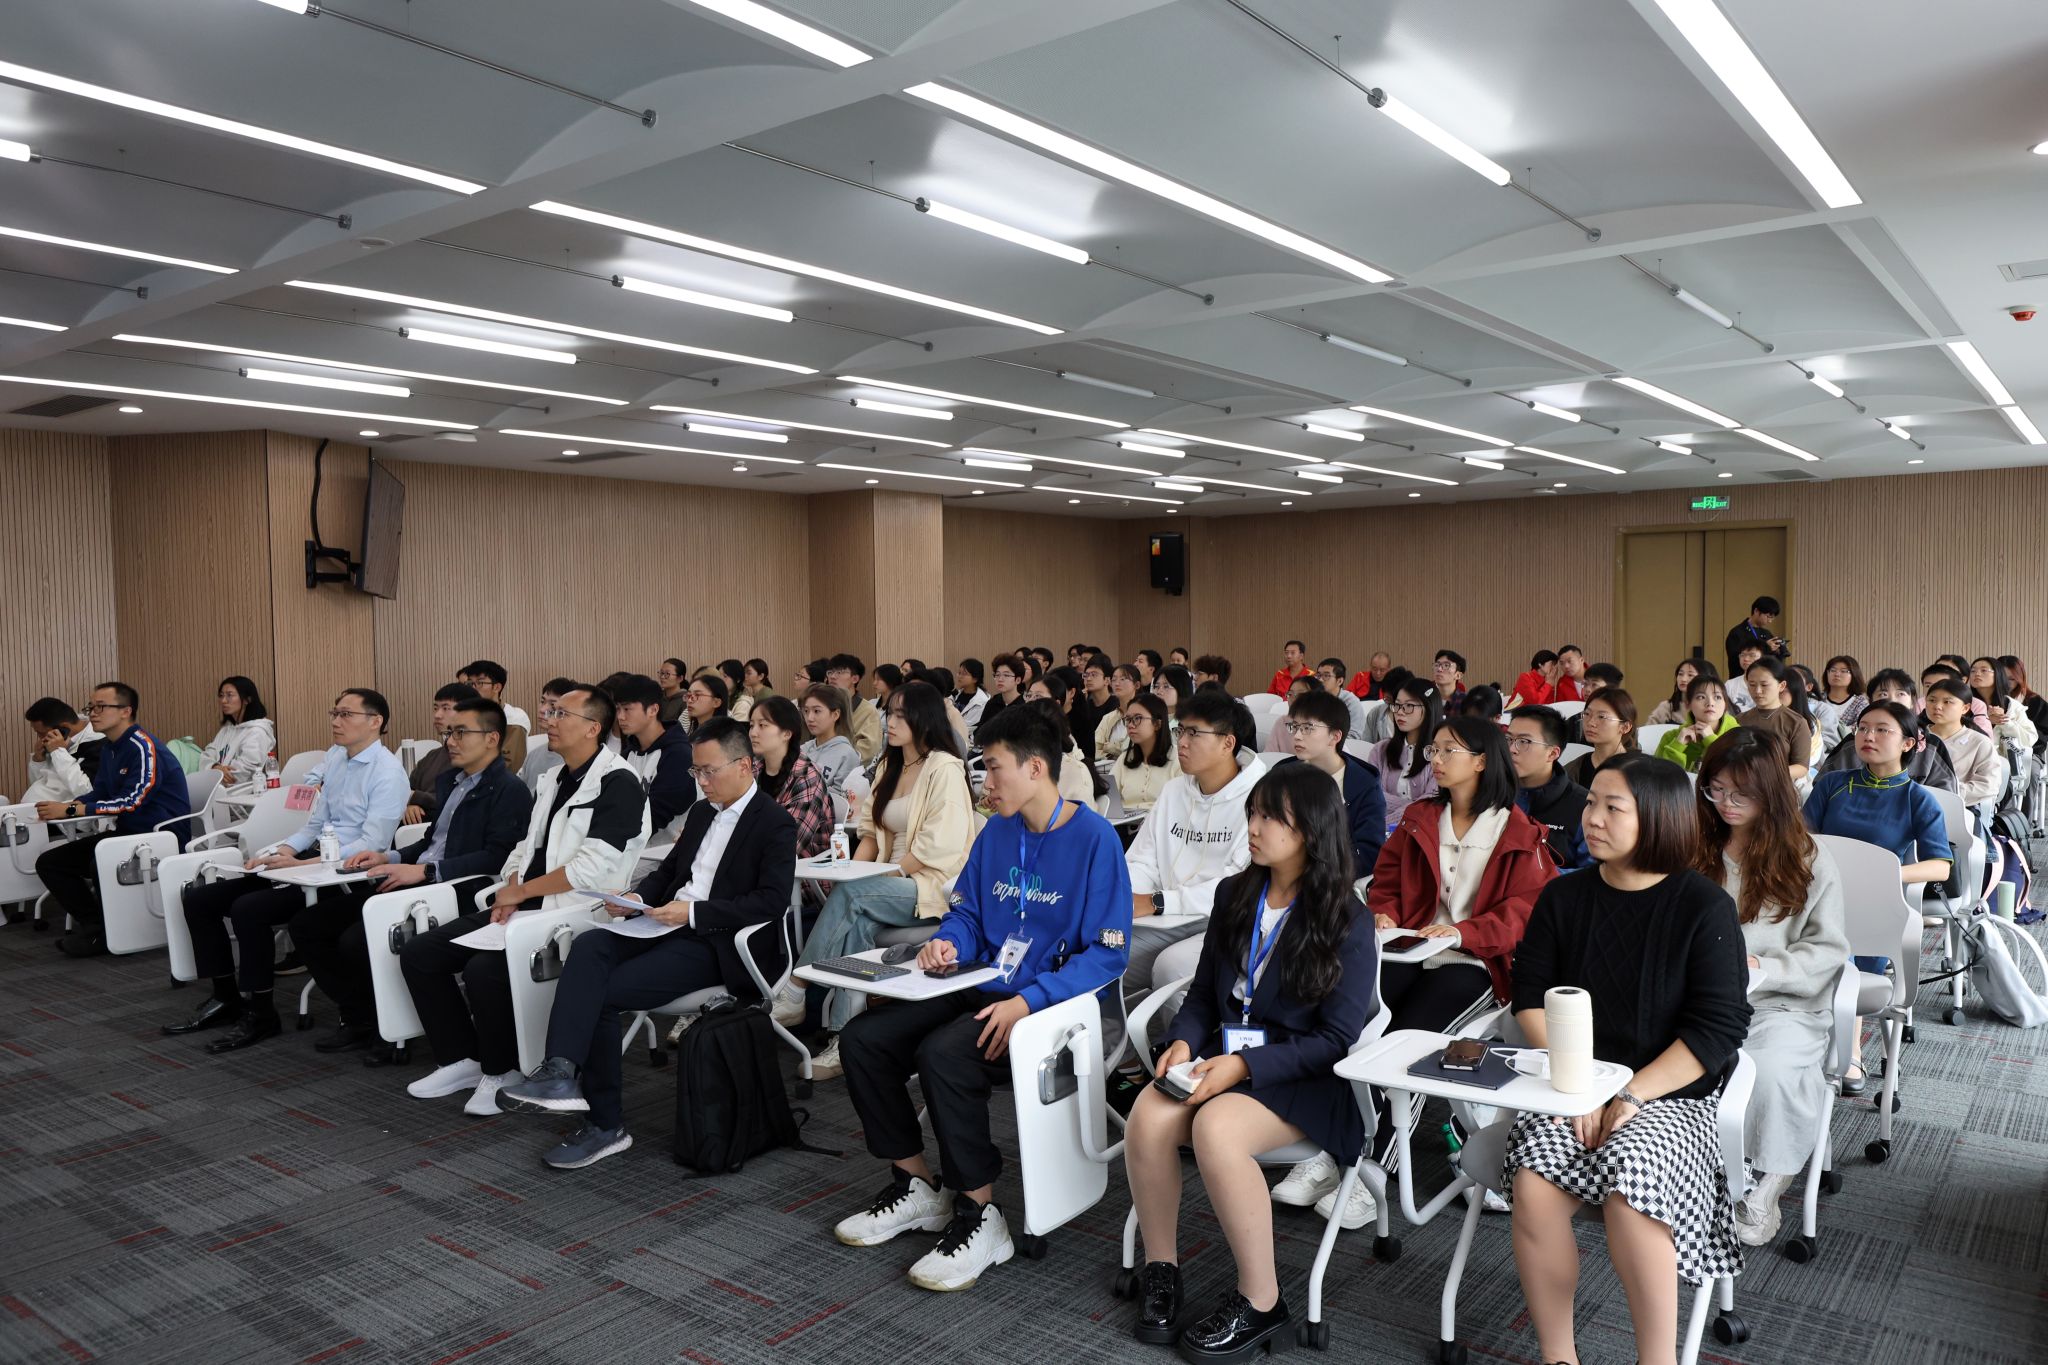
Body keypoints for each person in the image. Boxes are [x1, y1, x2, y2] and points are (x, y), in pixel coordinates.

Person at [829, 703, 1131, 1292]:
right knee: (864, 1040)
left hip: (1048, 1011)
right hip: (979, 985)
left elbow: (1106, 954)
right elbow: (966, 910)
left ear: (1035, 768)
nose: (985, 783)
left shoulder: (1094, 840)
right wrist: (948, 941)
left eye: (993, 769)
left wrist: (1029, 1001)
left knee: (944, 1054)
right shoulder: (997, 832)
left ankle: (979, 1212)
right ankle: (917, 1185)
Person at [1505, 753, 1752, 1365]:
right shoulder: (1563, 896)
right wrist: (1582, 1084)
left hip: (1668, 1095)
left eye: (1612, 807)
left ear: (1660, 818)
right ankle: (1558, 1357)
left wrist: (1629, 1094)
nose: (1591, 818)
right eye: (1591, 802)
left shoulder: (1703, 906)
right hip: (1572, 1084)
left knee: (1629, 1189)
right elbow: (1528, 997)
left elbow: (1719, 1027)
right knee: (1533, 1184)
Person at [1123, 763, 1379, 1354]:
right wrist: (1184, 1041)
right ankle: (1163, 1269)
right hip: (1226, 1058)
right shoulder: (1235, 893)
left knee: (1215, 1127)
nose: (1254, 828)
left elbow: (1336, 1039)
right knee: (1148, 1114)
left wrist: (1242, 1068)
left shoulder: (1347, 919)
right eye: (1253, 814)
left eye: (1270, 818)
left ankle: (1263, 1301)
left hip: (1302, 1075)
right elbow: (1204, 995)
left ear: (1310, 830)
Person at [496, 718, 798, 1168]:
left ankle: (604, 1124)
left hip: (715, 942)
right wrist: (637, 898)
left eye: (709, 771)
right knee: (591, 945)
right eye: (696, 771)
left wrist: (691, 913)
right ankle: (559, 1071)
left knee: (604, 993)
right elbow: (670, 871)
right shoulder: (703, 812)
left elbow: (771, 902)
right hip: (664, 922)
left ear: (744, 766)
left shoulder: (774, 823)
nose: (701, 782)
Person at [399, 684, 651, 1115]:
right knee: (421, 953)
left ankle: (503, 1071)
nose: (548, 721)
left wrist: (520, 892)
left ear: (593, 728)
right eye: (550, 713)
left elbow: (589, 871)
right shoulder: (554, 778)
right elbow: (524, 847)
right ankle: (461, 1058)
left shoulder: (619, 784)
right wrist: (512, 889)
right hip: (529, 903)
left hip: (575, 912)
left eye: (561, 714)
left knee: (483, 971)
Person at [162, 688, 407, 1050]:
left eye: (346, 714)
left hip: (346, 873)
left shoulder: (387, 772)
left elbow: (373, 844)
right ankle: (227, 998)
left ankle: (261, 1013)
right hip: (311, 859)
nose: (336, 722)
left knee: (250, 909)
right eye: (334, 713)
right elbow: (314, 825)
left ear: (375, 722)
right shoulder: (337, 758)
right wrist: (279, 851)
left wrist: (304, 863)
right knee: (202, 900)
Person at [300, 697, 533, 1055]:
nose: (450, 741)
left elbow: (497, 856)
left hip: (453, 889)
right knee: (309, 925)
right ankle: (362, 1014)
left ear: (491, 738)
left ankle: (386, 1027)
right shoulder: (452, 781)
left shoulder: (508, 790)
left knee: (355, 940)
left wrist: (424, 870)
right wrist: (389, 856)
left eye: (461, 733)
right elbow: (432, 841)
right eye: (449, 733)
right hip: (415, 879)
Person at [1693, 729, 1848, 1246]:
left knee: (1772, 1072)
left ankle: (1765, 1184)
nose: (1726, 804)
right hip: (1699, 998)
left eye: (1742, 794)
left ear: (1772, 794)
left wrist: (1765, 965)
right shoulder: (1693, 846)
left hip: (1781, 1002)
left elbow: (1828, 949)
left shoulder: (1806, 857)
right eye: (1716, 790)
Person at [776, 682, 976, 1072]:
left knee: (854, 896)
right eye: (890, 714)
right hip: (883, 883)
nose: (890, 722)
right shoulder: (889, 765)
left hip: (929, 884)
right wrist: (849, 873)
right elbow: (868, 834)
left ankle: (796, 987)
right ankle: (844, 1039)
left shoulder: (945, 767)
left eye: (900, 715)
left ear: (923, 718)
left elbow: (940, 844)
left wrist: (880, 876)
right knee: (856, 918)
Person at [1802, 700, 1952, 1095]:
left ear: (1909, 743)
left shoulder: (1917, 798)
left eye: (1882, 729)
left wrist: (1882, 874)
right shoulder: (1833, 784)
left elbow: (1940, 867)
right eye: (1863, 728)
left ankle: (1849, 1049)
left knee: (1847, 955)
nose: (1868, 736)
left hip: (1873, 905)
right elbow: (1801, 842)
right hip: (1821, 895)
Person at [32, 682, 191, 957]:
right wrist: (68, 806)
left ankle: (109, 933)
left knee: (100, 861)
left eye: (101, 707)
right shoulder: (110, 748)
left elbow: (131, 801)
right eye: (91, 707)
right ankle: (97, 929)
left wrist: (70, 812)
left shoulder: (143, 746)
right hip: (128, 834)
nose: (92, 713)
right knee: (50, 863)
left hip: (160, 836)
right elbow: (101, 793)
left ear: (126, 711)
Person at [1125, 691, 1260, 1000]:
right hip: (1164, 917)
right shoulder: (1174, 791)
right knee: (1098, 946)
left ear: (1228, 743)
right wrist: (1129, 898)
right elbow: (1143, 859)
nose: (1182, 743)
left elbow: (1238, 885)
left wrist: (1158, 902)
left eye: (1194, 733)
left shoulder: (1260, 797)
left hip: (1222, 920)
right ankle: (1105, 1030)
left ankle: (1181, 1033)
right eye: (1181, 731)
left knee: (1170, 966)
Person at [1282, 689, 1387, 876]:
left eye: (1307, 728)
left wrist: (1315, 871)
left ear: (1335, 736)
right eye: (1295, 727)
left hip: (1334, 878)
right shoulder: (1283, 774)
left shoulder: (1364, 784)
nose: (1297, 735)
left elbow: (1369, 853)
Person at [1818, 671, 1957, 791]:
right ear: (1871, 701)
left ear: (1912, 701)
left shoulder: (1932, 745)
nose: (1892, 700)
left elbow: (1947, 795)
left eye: (1900, 694)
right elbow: (1823, 785)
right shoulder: (1854, 741)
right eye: (1883, 694)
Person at [610, 673, 695, 837]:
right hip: (631, 847)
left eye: (627, 709)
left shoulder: (678, 754)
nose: (620, 717)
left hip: (665, 849)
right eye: (618, 709)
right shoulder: (628, 754)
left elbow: (658, 813)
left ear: (653, 710)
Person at [748, 695, 832, 858]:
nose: (753, 733)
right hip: (756, 858)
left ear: (786, 733)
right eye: (751, 725)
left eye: (762, 725)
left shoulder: (807, 777)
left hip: (802, 868)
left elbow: (789, 843)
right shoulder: (753, 771)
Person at [1506, 706, 1590, 869]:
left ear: (1552, 754)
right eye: (1508, 739)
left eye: (1524, 741)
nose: (1511, 749)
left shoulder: (1583, 807)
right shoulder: (1492, 794)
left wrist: (1536, 875)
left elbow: (1592, 873)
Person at [1370, 676, 1442, 830]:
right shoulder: (1380, 750)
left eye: (1409, 706)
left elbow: (1430, 803)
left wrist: (1384, 824)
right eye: (1397, 705)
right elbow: (1371, 795)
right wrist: (1413, 806)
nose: (1400, 712)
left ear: (1428, 708)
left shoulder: (1440, 755)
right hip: (1379, 834)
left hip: (1420, 833)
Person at [1921, 677, 2006, 806]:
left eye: (1947, 702)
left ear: (1965, 708)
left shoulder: (1979, 742)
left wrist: (1945, 792)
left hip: (1957, 808)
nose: (1937, 706)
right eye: (1932, 700)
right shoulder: (1914, 738)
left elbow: (1989, 785)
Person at [400, 682, 476, 823]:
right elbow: (406, 790)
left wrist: (415, 797)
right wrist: (409, 805)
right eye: (436, 708)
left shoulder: (476, 758)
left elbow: (459, 800)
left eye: (446, 708)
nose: (437, 715)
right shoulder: (432, 756)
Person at [1737, 657, 1816, 777]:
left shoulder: (1796, 722)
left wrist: (1767, 773)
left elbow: (1801, 767)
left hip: (1779, 783)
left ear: (1782, 686)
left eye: (1764, 685)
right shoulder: (1740, 719)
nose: (1757, 691)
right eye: (1752, 685)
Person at [20, 697, 102, 804]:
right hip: (34, 808)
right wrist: (38, 761)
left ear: (64, 728)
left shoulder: (99, 743)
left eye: (41, 733)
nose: (40, 738)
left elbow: (86, 791)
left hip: (64, 811)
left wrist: (58, 752)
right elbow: (41, 782)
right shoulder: (57, 741)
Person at [1653, 673, 1739, 772]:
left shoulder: (1738, 736)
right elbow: (1657, 776)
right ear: (1688, 704)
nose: (1710, 703)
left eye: (1717, 697)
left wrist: (1711, 741)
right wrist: (1677, 746)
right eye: (1701, 697)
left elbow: (1738, 773)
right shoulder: (1671, 737)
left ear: (1725, 705)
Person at [1113, 693, 1181, 817]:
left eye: (1137, 718)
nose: (1131, 725)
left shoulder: (1178, 758)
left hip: (1162, 823)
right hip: (1125, 824)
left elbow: (1180, 805)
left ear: (1157, 724)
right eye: (1128, 719)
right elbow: (1109, 799)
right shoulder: (1125, 759)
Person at [201, 676, 275, 786]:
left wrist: (215, 774)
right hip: (216, 787)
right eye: (221, 695)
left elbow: (241, 774)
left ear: (247, 700)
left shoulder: (257, 731)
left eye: (229, 695)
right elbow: (206, 755)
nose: (223, 701)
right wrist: (215, 767)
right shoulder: (227, 729)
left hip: (240, 793)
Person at [798, 683, 864, 803]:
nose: (809, 718)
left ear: (835, 715)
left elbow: (842, 799)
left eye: (817, 711)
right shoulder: (802, 749)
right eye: (806, 711)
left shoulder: (846, 754)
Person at [460, 660, 529, 770]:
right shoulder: (466, 715)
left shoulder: (514, 718)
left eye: (480, 683)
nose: (473, 688)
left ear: (497, 687)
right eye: (470, 683)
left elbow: (509, 766)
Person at [1568, 687, 1639, 787]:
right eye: (1587, 714)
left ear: (1625, 727)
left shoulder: (1640, 770)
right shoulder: (1574, 769)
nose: (1591, 723)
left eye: (1601, 717)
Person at [1969, 655, 2039, 752]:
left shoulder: (2012, 706)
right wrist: (1985, 720)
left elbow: (2030, 739)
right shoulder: (1963, 703)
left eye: (1984, 670)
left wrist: (2004, 721)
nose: (1977, 673)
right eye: (1973, 671)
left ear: (1998, 674)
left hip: (2005, 759)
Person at [1724, 595, 1789, 678]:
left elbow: (1774, 663)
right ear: (1756, 611)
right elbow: (1735, 660)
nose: (1770, 621)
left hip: (1764, 678)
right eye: (1768, 617)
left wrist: (1779, 652)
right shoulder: (1737, 633)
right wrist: (1766, 648)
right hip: (1742, 678)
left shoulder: (1766, 633)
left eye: (1772, 618)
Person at [1998, 655, 2048, 757]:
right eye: (2002, 678)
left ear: (2020, 679)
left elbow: (2043, 736)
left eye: (2012, 679)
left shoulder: (2035, 702)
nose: (2005, 683)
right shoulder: (1986, 699)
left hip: (2030, 753)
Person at [1817, 655, 1866, 754]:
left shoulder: (1860, 702)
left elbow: (1861, 728)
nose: (1837, 674)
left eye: (1844, 671)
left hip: (1848, 752)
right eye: (1833, 670)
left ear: (1854, 675)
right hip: (1817, 750)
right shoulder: (1817, 699)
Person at [1095, 664, 1144, 761]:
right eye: (1114, 680)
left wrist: (1109, 747)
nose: (1117, 683)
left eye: (1123, 679)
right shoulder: (1108, 717)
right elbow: (1096, 748)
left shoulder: (1145, 716)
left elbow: (1138, 750)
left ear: (1137, 685)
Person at [1071, 654, 1116, 761]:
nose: (1089, 678)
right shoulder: (1085, 705)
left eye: (1094, 675)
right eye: (1086, 675)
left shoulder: (1115, 705)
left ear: (1107, 680)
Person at [976, 653, 1027, 745]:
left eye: (1006, 675)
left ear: (1018, 680)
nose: (1000, 679)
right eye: (997, 675)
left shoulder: (1024, 706)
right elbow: (980, 732)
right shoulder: (992, 703)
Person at [1314, 657, 1370, 739]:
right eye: (1318, 675)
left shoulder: (1351, 702)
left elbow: (1355, 734)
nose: (1320, 680)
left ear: (1339, 681)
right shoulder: (1314, 699)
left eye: (1326, 676)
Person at [1645, 658, 1712, 727]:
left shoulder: (1711, 707)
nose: (1683, 679)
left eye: (1690, 675)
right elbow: (1648, 729)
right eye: (1680, 674)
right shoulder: (1667, 707)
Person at [1722, 644, 1762, 713]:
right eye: (1742, 655)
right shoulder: (1730, 684)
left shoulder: (1771, 683)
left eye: (1752, 655)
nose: (1746, 659)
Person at [952, 658, 989, 729]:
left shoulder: (982, 702)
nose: (959, 676)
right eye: (959, 673)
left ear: (975, 679)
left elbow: (968, 727)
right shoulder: (956, 694)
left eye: (964, 674)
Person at [1432, 650, 1469, 715]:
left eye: (1446, 665)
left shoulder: (1466, 702)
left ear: (1458, 675)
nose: (1439, 669)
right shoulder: (1426, 699)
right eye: (1437, 665)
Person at [656, 657, 689, 727]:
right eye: (661, 673)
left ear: (680, 678)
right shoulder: (657, 697)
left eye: (667, 674)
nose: (662, 677)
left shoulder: (686, 700)